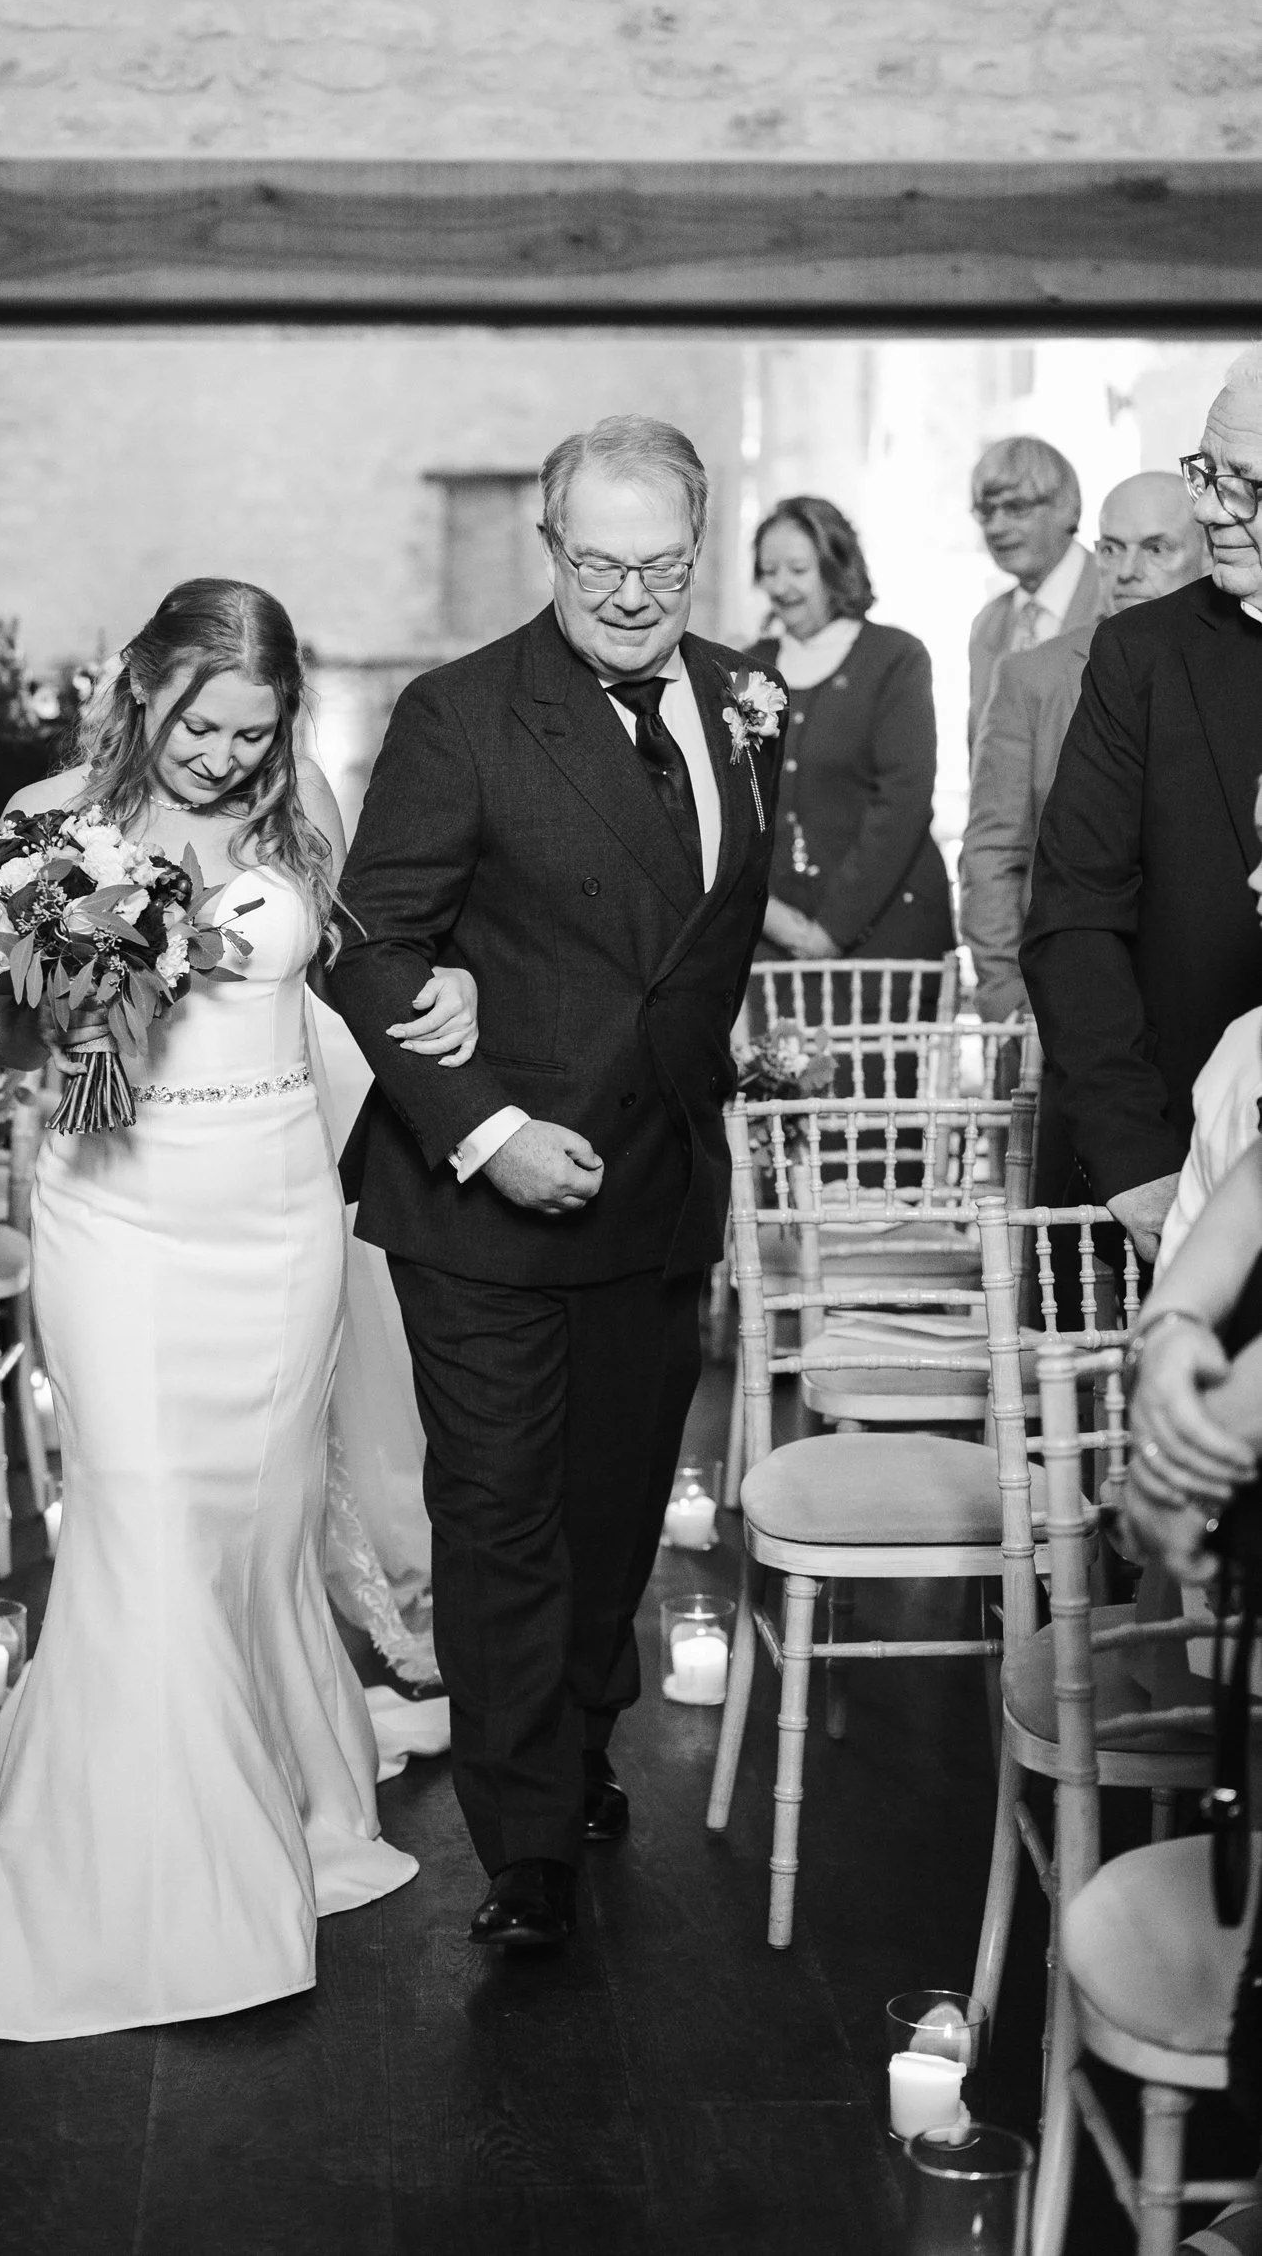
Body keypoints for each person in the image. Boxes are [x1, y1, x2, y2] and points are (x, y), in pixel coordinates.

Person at [0, 580, 479, 2036]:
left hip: (273, 1214)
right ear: (143, 690)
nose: (224, 758)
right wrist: (47, 998)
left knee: (255, 1530)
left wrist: (447, 998)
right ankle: (147, 1894)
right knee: (138, 1514)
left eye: (253, 735)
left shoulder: (297, 808)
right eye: (204, 728)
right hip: (115, 1212)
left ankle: (275, 1792)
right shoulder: (50, 817)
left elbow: (368, 962)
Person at [327, 413, 783, 1952]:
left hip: (656, 1185)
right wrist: (483, 1124)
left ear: (697, 549)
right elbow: (370, 939)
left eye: (659, 563)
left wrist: (733, 1064)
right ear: (548, 548)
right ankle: (521, 1845)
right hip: (483, 1198)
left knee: (608, 1511)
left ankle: (578, 1740)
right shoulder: (461, 713)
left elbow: (695, 943)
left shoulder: (737, 699)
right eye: (598, 561)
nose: (630, 591)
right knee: (502, 1511)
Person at [1022, 352, 1262, 1265]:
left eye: (1245, 485)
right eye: (1207, 472)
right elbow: (1073, 915)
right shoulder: (1141, 657)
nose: (1207, 508)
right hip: (1177, 1161)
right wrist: (1135, 1159)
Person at [961, 470, 1206, 1021]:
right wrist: (1006, 996)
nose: (1126, 572)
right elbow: (994, 851)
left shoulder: (1237, 667)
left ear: (1209, 553)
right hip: (1068, 998)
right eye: (1111, 549)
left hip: (1208, 993)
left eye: (1156, 549)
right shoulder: (1032, 676)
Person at [745, 493, 951, 970]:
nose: (780, 586)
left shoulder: (896, 658)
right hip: (771, 940)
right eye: (768, 571)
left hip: (886, 942)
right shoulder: (748, 667)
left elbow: (903, 799)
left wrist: (830, 931)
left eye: (798, 569)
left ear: (835, 566)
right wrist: (775, 921)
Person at [966, 435, 1103, 751]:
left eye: (1016, 507)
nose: (996, 527)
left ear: (1068, 507)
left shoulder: (1119, 597)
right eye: (986, 510)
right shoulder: (987, 624)